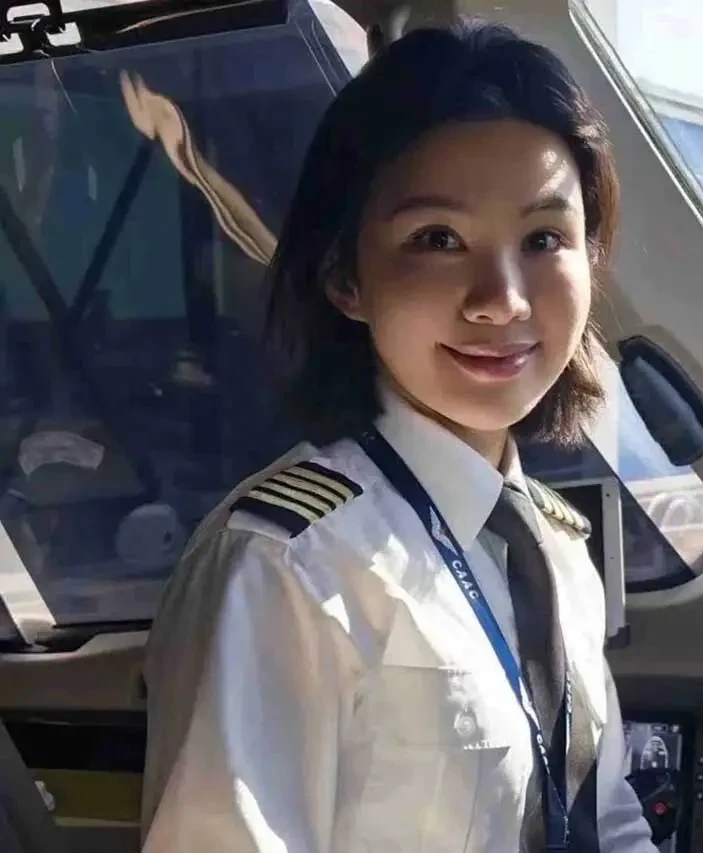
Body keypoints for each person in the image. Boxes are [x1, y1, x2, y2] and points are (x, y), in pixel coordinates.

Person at [140, 19, 660, 853]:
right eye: (438, 239)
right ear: (346, 278)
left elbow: (604, 814)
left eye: (543, 239)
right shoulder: (292, 565)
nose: (502, 298)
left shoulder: (556, 552)